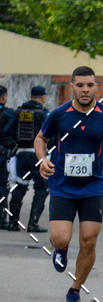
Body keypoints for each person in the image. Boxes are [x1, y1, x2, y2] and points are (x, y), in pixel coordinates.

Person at [34, 66, 103, 302]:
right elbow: (40, 138)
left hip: (93, 186)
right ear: (72, 87)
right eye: (80, 85)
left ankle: (75, 289)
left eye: (89, 85)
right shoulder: (59, 114)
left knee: (89, 240)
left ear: (96, 87)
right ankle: (62, 248)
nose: (85, 90)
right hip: (62, 184)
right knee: (59, 237)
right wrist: (41, 159)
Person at [6, 85, 49, 232]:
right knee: (41, 188)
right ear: (43, 97)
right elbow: (52, 134)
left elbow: (8, 131)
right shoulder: (43, 113)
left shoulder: (18, 112)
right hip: (38, 156)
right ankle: (33, 223)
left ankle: (12, 222)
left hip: (22, 154)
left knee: (19, 186)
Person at [0, 85, 16, 230]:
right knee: (2, 186)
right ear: (4, 97)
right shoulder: (10, 114)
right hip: (3, 155)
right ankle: (1, 218)